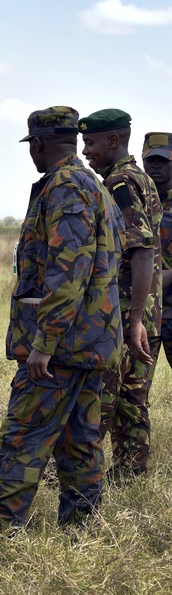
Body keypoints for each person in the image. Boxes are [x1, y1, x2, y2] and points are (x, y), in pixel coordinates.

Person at [0, 106, 122, 537]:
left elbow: (68, 270)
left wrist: (44, 343)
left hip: (61, 348)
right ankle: (81, 529)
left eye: (32, 146)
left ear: (38, 144)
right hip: (87, 344)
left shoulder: (65, 187)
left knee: (22, 436)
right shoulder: (92, 186)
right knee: (80, 440)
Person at [80, 109, 161, 480]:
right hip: (146, 310)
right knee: (133, 398)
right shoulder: (140, 178)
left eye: (91, 143)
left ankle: (87, 476)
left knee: (106, 399)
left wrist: (134, 320)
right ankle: (130, 474)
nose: (85, 151)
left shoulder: (119, 183)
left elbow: (142, 249)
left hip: (130, 310)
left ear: (113, 141)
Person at [142, 132, 172, 369]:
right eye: (151, 160)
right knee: (134, 387)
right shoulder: (135, 200)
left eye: (163, 161)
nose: (155, 166)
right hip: (144, 312)